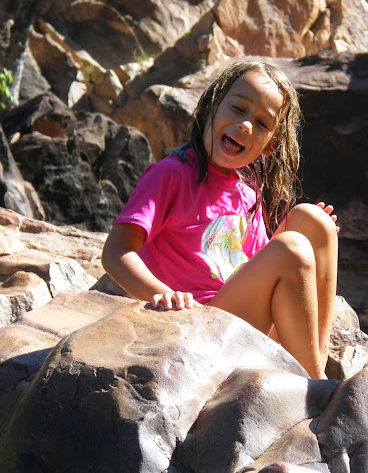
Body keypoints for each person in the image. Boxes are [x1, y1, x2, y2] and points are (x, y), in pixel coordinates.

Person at [102, 60, 339, 380]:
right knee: (293, 248)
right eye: (238, 108)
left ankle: (314, 366)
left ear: (270, 146)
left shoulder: (247, 192)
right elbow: (116, 252)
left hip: (240, 327)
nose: (245, 125)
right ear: (212, 104)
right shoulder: (171, 175)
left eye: (261, 123)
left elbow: (251, 266)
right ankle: (315, 387)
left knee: (312, 222)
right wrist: (160, 293)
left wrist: (305, 238)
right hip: (197, 331)